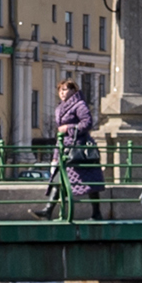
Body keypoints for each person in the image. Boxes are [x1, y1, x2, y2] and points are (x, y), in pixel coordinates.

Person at [52, 79, 99, 215]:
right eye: (60, 90)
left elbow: (87, 123)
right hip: (65, 148)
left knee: (89, 181)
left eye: (65, 89)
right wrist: (55, 157)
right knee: (60, 178)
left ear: (73, 91)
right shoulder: (60, 107)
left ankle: (96, 212)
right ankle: (49, 210)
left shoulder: (79, 105)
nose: (61, 92)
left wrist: (68, 128)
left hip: (78, 149)